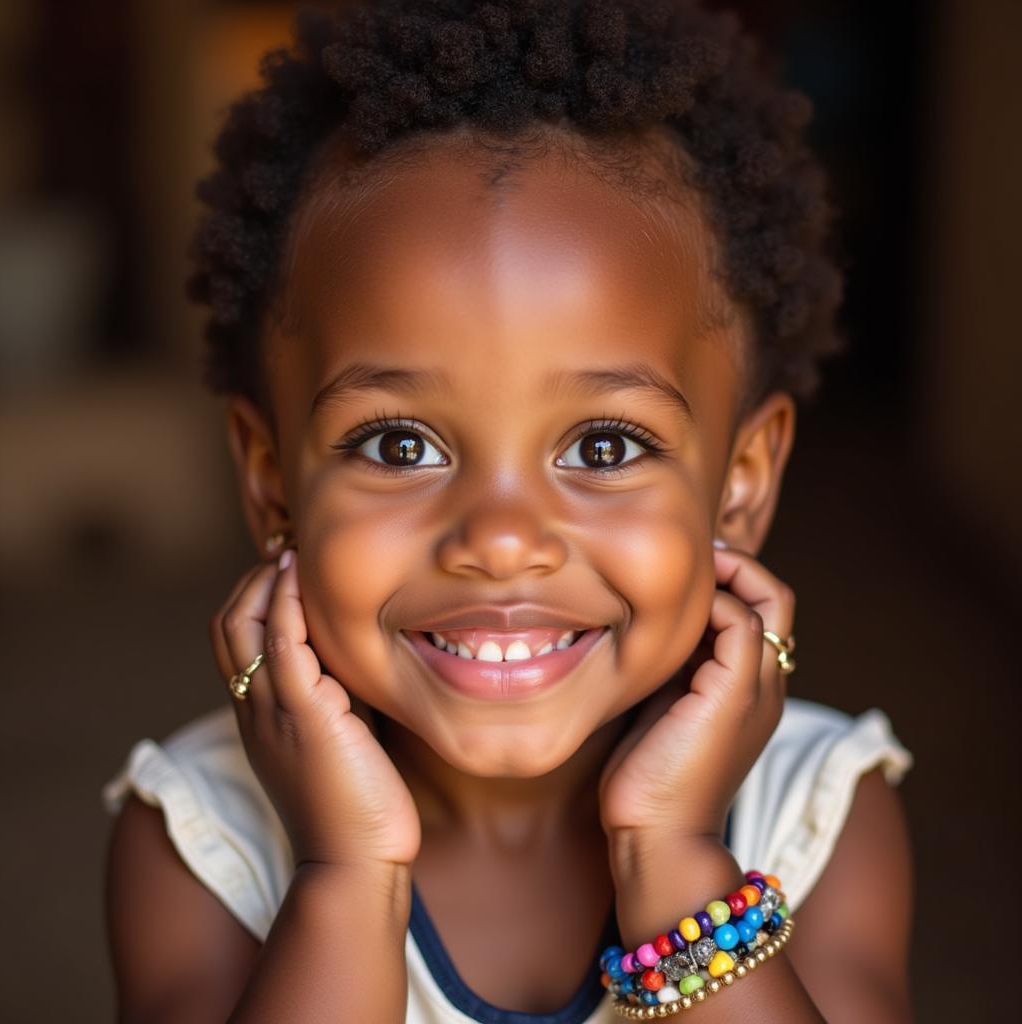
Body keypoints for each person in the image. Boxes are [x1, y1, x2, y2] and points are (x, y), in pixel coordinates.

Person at [101, 2, 915, 1021]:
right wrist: (346, 873)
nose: (499, 539)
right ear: (271, 480)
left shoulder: (816, 807)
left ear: (741, 480)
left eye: (603, 446)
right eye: (400, 445)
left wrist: (672, 855)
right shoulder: (198, 833)